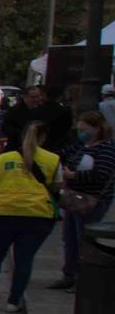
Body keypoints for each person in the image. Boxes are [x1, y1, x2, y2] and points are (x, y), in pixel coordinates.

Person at [0, 121, 61, 313]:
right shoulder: (54, 159)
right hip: (38, 215)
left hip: (3, 213)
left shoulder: (4, 158)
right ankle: (13, 302)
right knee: (24, 260)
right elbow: (57, 187)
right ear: (43, 138)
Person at [54, 110, 115, 290]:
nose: (81, 133)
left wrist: (73, 176)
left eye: (85, 129)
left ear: (97, 129)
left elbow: (101, 174)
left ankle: (83, 278)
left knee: (84, 240)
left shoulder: (107, 148)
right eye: (79, 129)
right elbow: (62, 155)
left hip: (92, 200)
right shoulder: (81, 145)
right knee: (69, 238)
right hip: (73, 199)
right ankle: (69, 274)